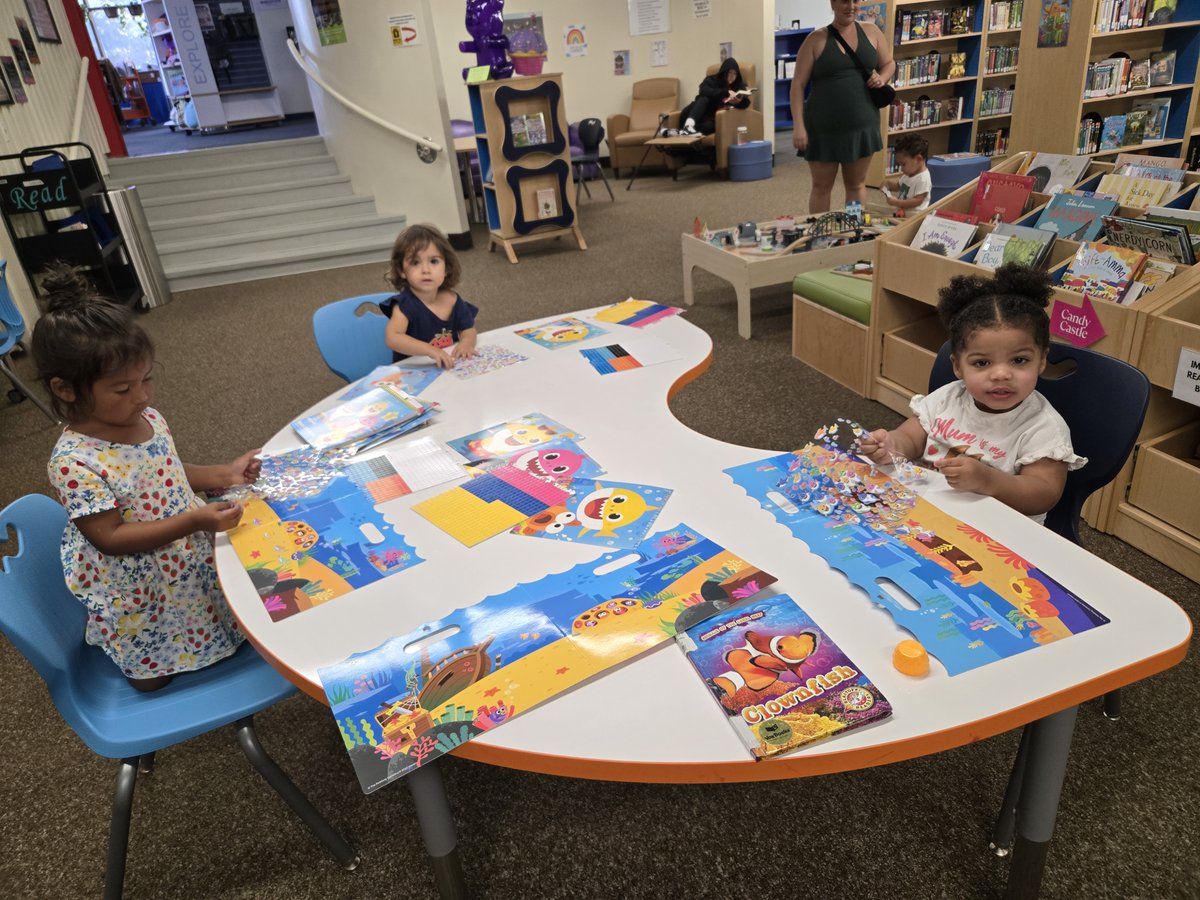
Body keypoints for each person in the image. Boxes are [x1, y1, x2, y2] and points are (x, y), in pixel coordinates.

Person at [32, 265, 260, 692]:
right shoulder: (73, 462)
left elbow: (164, 470)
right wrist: (194, 521)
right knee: (151, 680)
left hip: (179, 556)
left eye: (146, 380)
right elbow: (110, 537)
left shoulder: (147, 417)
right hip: (137, 578)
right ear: (66, 389)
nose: (143, 396)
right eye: (123, 389)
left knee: (215, 618)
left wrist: (224, 473)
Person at [858, 265, 1086, 522]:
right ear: (957, 366)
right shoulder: (947, 398)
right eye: (982, 363)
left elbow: (1044, 494)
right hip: (927, 513)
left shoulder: (1043, 428)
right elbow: (910, 439)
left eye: (1019, 360)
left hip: (998, 531)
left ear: (1042, 361)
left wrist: (989, 480)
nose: (1001, 374)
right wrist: (890, 446)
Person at [790, 0, 895, 213]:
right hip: (822, 129)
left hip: (862, 125)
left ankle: (852, 231)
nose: (851, 6)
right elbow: (798, 85)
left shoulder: (872, 32)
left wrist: (882, 78)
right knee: (821, 187)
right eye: (844, 0)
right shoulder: (815, 40)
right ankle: (820, 235)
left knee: (856, 185)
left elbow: (889, 63)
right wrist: (798, 125)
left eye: (855, 0)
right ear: (833, 3)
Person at [382, 223, 479, 369]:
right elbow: (392, 338)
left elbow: (468, 329)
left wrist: (466, 343)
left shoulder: (453, 300)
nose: (426, 270)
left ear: (446, 268)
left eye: (434, 261)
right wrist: (430, 350)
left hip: (446, 368)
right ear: (402, 270)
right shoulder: (405, 305)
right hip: (413, 374)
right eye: (415, 262)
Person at [679, 57, 751, 136]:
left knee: (710, 127)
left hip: (714, 118)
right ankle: (688, 125)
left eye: (735, 73)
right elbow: (703, 90)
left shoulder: (738, 85)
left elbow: (746, 103)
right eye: (730, 72)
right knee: (704, 98)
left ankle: (685, 131)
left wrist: (736, 102)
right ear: (724, 72)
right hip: (696, 113)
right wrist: (725, 93)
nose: (732, 76)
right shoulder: (712, 79)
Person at [882, 133, 931, 216]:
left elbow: (917, 201)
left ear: (918, 159)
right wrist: (888, 184)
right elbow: (898, 186)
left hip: (913, 218)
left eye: (903, 164)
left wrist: (897, 202)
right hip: (902, 214)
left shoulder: (923, 179)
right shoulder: (908, 173)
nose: (901, 168)